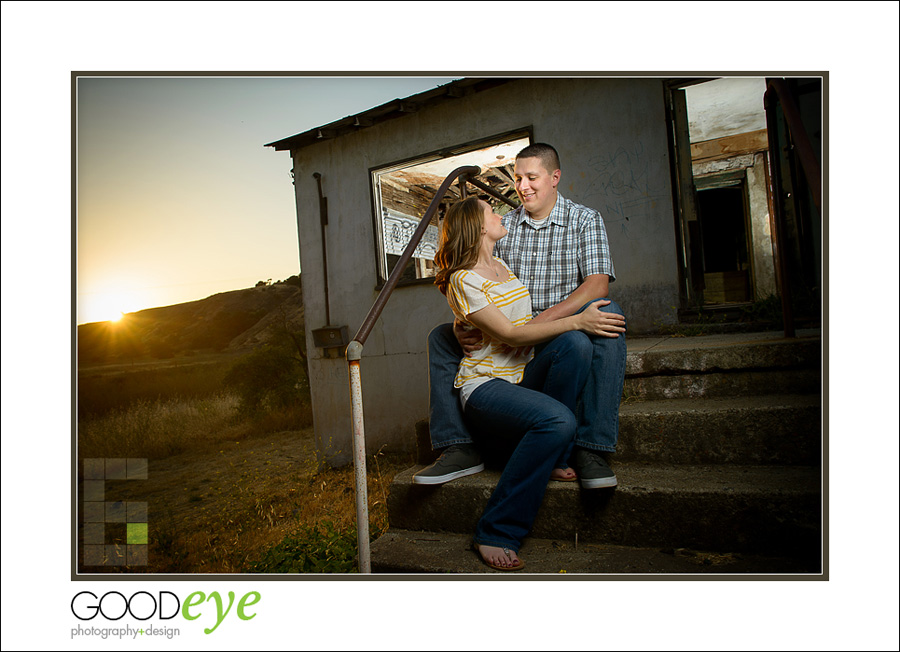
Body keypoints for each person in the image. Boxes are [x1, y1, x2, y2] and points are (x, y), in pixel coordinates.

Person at [416, 143, 627, 489]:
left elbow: (596, 286)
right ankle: (459, 446)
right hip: (514, 335)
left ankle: (591, 447)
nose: (522, 186)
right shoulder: (506, 226)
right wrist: (462, 320)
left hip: (556, 330)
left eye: (532, 177)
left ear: (555, 177)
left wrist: (535, 326)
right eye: (518, 178)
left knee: (608, 313)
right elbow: (473, 274)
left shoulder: (584, 219)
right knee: (441, 335)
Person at [431, 196, 613, 571]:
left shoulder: (500, 265)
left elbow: (516, 325)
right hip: (485, 387)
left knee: (575, 346)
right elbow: (513, 334)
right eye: (491, 212)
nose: (500, 215)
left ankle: (554, 457)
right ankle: (495, 529)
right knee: (560, 419)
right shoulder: (462, 278)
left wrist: (577, 328)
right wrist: (579, 320)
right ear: (479, 226)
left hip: (521, 375)